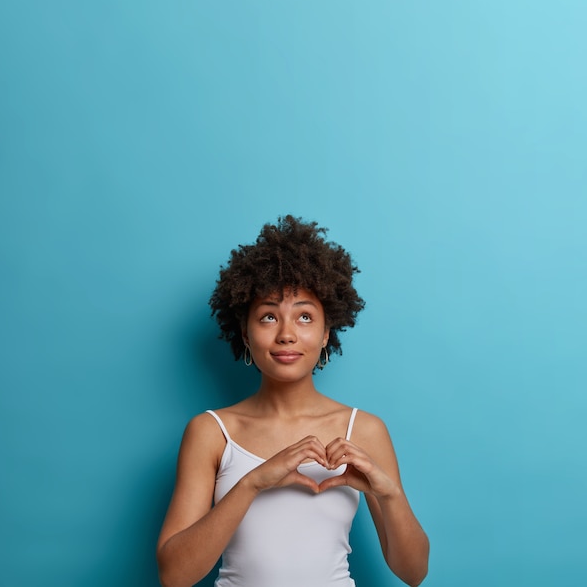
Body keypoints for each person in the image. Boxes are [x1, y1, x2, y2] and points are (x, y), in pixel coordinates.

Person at [157, 215, 429, 587]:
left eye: (304, 316)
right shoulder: (211, 432)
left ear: (325, 334)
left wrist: (390, 495)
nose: (286, 334)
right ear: (245, 333)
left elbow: (414, 573)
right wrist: (253, 483)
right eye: (269, 316)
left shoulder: (363, 430)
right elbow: (173, 576)